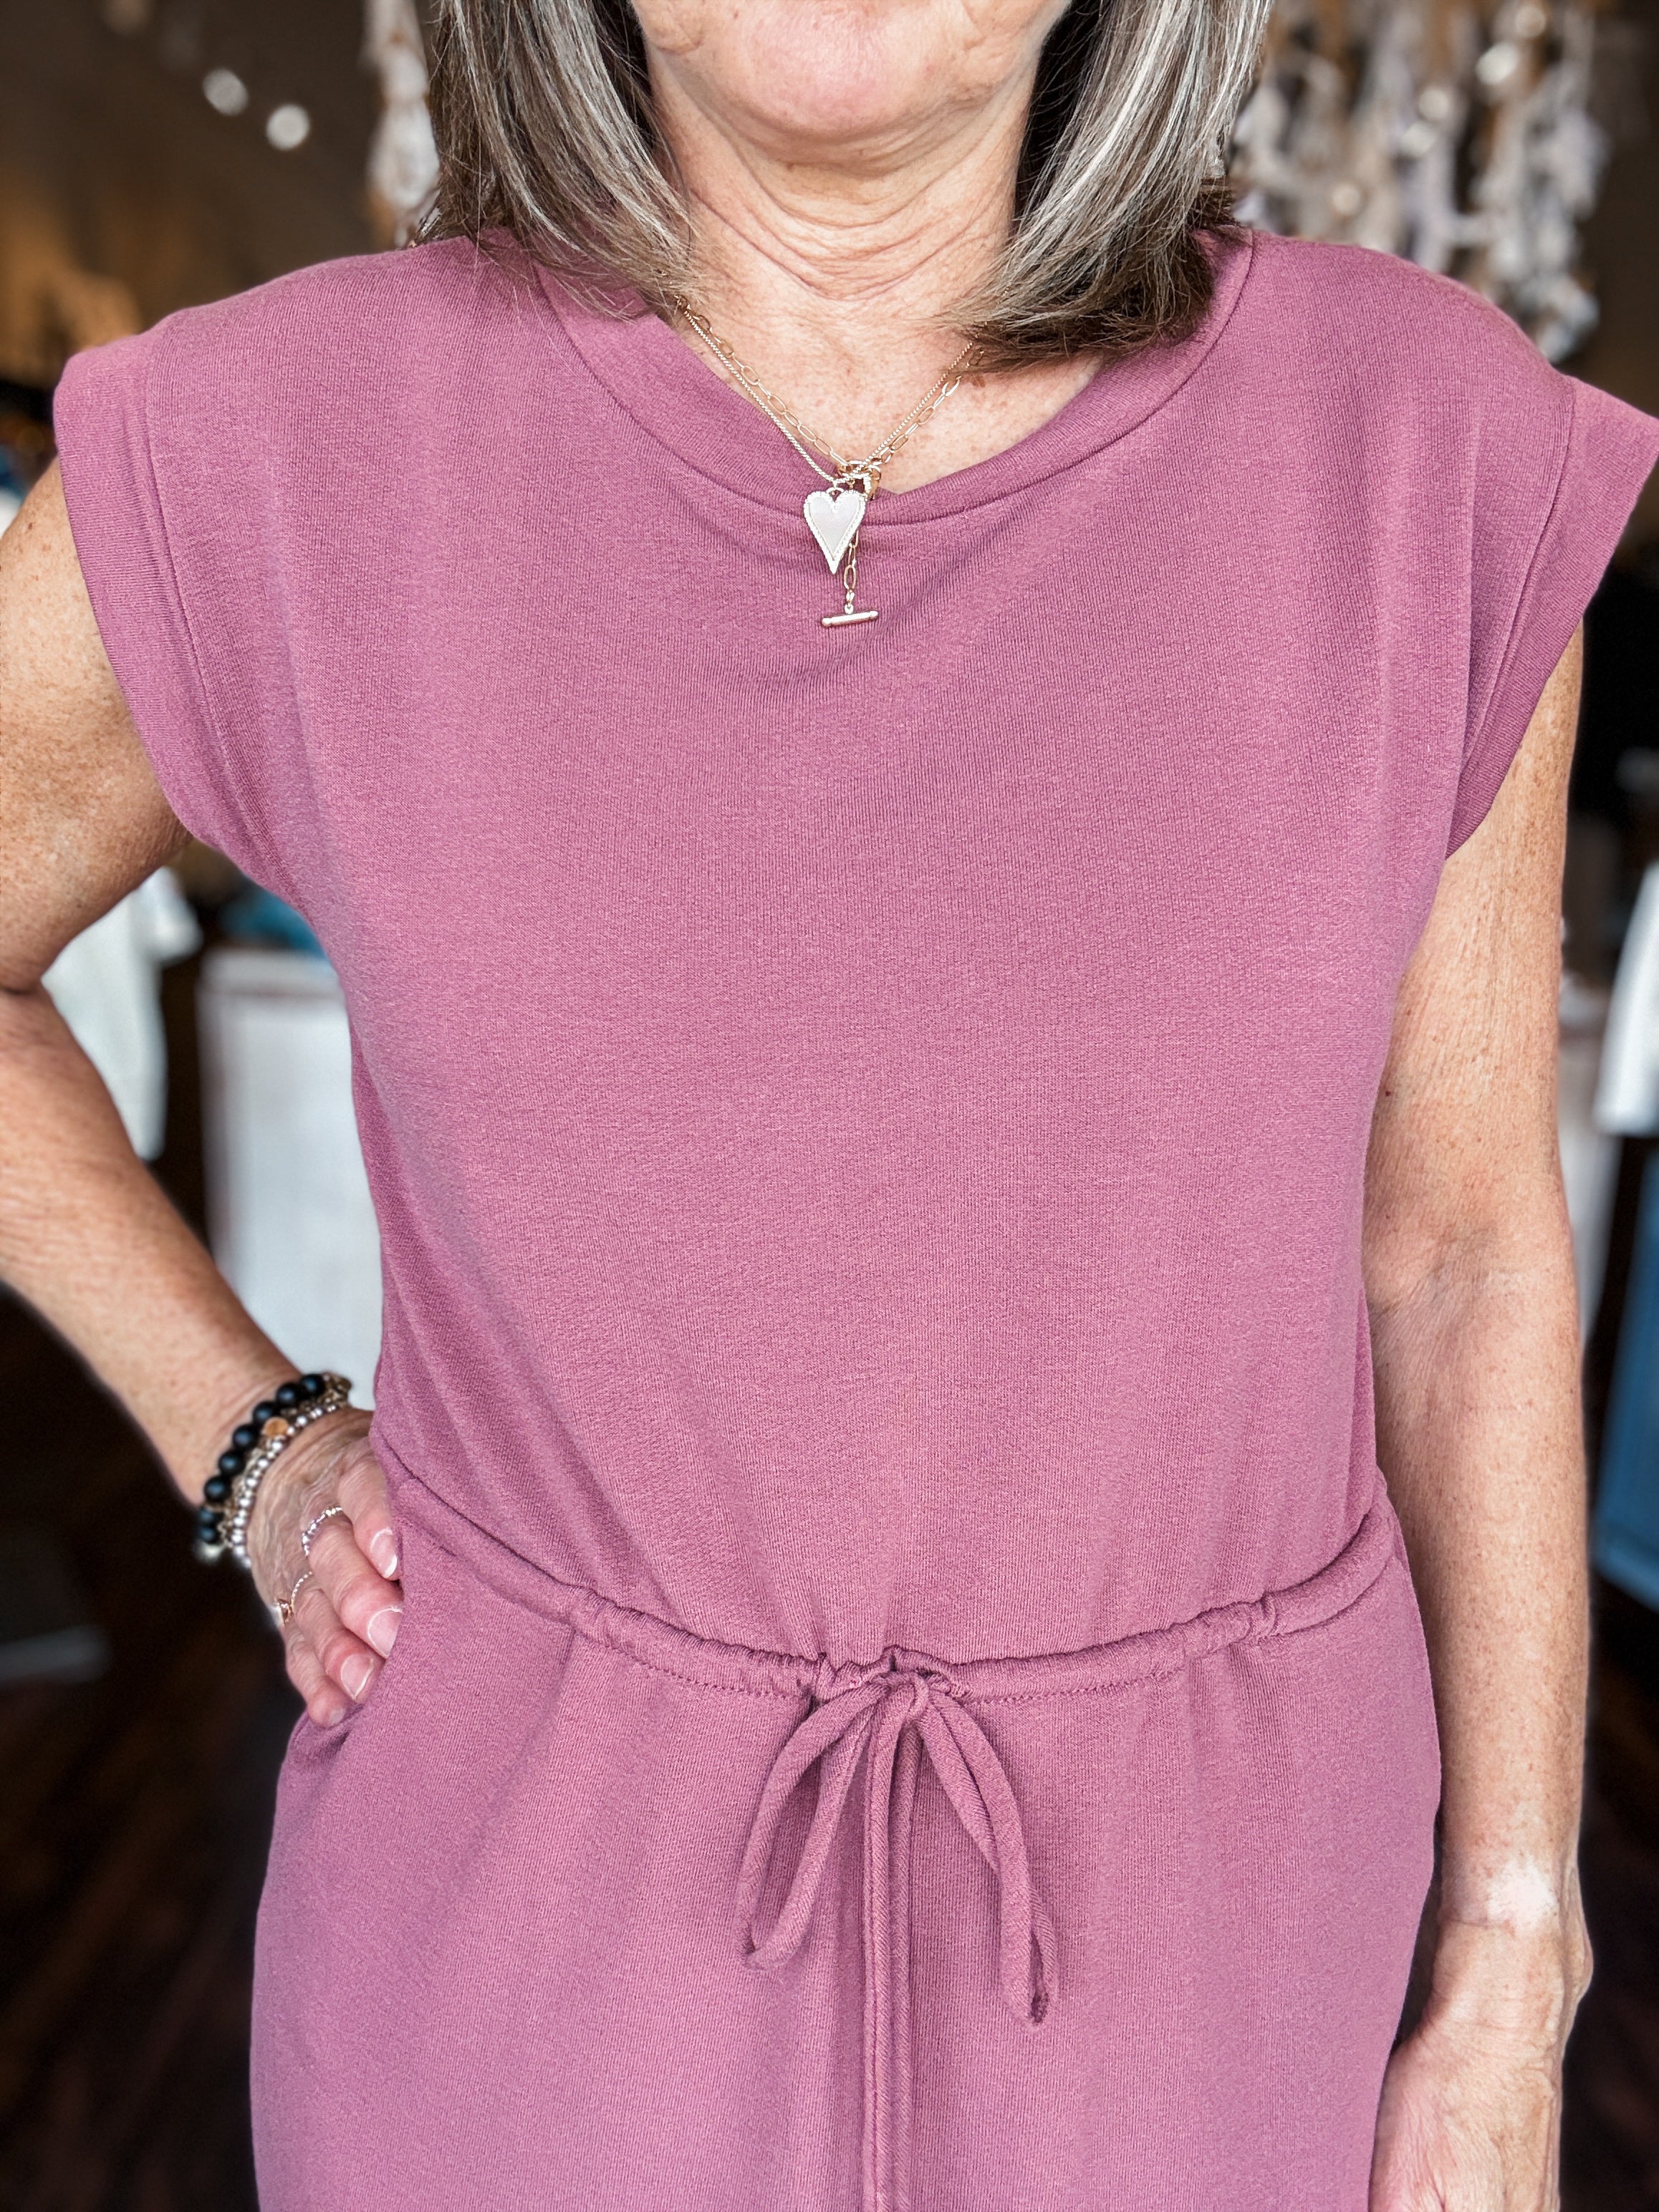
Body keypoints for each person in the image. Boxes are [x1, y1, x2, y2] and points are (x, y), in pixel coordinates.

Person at [1, 0, 1655, 2203]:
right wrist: (252, 1439)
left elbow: (1457, 1249)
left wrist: (1513, 1948)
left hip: (1222, 1941)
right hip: (520, 1951)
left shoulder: (1413, 442)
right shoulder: (275, 443)